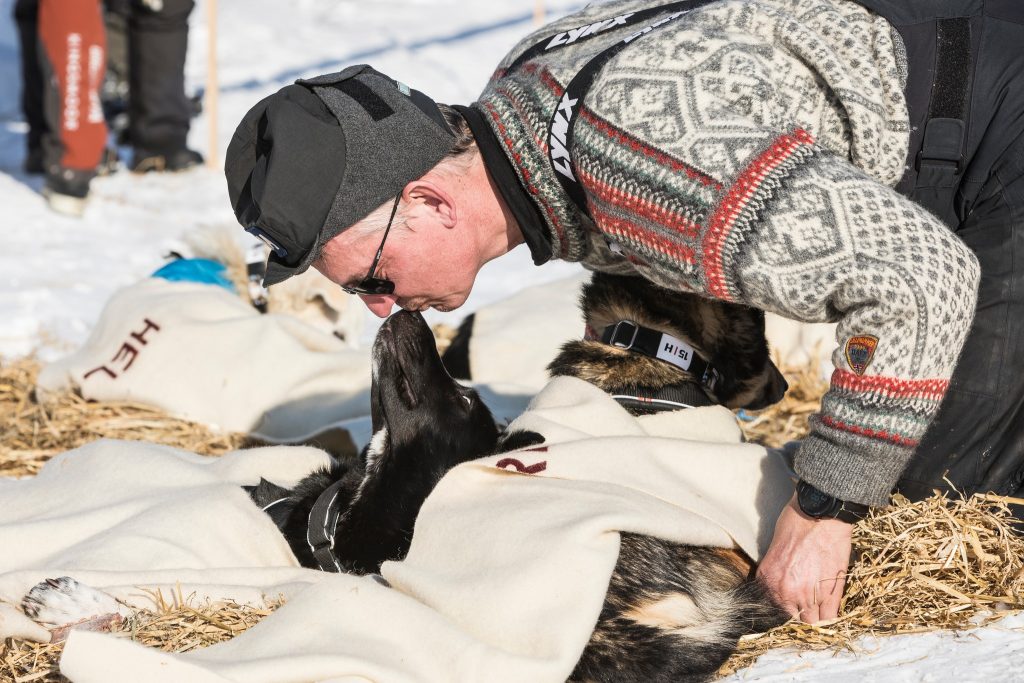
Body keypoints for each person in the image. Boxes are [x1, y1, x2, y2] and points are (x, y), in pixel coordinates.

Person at [225, 0, 1024, 624]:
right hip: (941, 97)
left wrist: (825, 511)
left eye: (373, 276)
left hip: (995, 128)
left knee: (941, 514)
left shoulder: (627, 154)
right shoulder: (527, 107)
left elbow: (921, 278)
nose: (378, 306)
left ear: (431, 200)